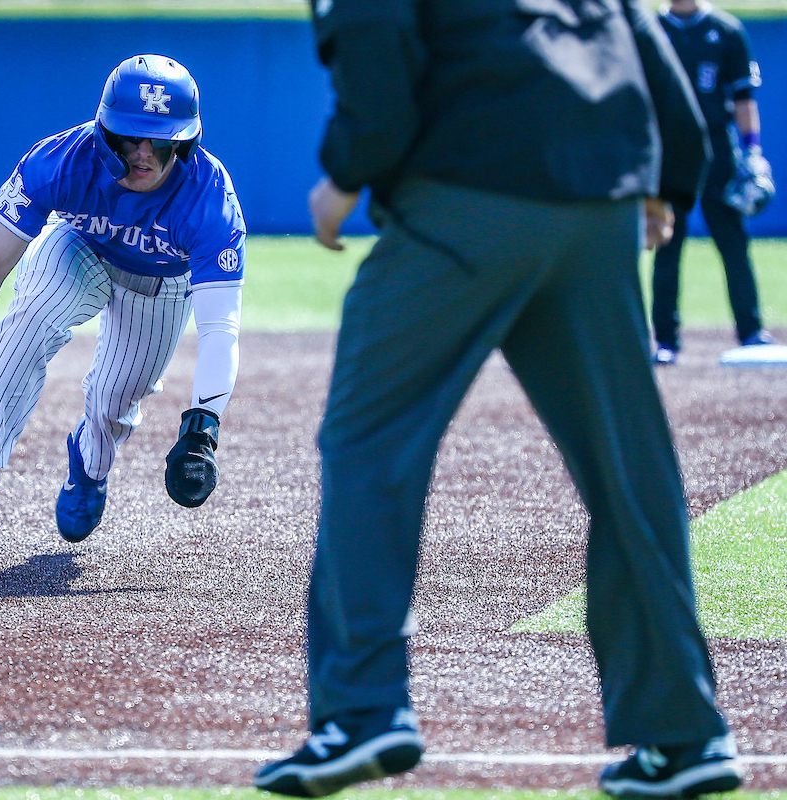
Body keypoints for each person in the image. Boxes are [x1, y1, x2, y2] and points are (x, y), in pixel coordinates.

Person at [253, 0, 744, 796]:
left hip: (467, 194)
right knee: (629, 469)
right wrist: (669, 184)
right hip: (600, 200)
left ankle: (362, 711)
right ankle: (685, 734)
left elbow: (377, 59)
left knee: (371, 444)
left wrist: (346, 175)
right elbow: (656, 60)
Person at [0, 54, 245, 544]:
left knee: (115, 400)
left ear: (186, 140)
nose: (145, 153)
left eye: (162, 138)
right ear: (104, 131)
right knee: (32, 319)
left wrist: (202, 430)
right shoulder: (61, 161)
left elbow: (221, 328)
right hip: (80, 247)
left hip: (161, 282)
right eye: (131, 136)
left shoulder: (209, 200)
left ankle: (90, 469)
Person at [651, 0, 775, 365]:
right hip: (669, 150)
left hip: (717, 150)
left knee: (732, 241)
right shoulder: (651, 28)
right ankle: (664, 339)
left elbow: (743, 98)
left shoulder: (726, 30)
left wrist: (752, 151)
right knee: (666, 243)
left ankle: (751, 331)